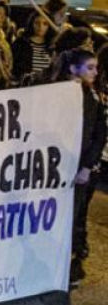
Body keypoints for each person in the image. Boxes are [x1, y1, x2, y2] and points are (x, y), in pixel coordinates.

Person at [52, 48, 105, 287]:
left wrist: (86, 167)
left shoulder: (92, 98)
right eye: (90, 68)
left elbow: (99, 135)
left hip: (79, 171)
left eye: (96, 68)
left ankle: (69, 266)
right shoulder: (53, 93)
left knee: (73, 217)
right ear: (73, 69)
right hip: (55, 168)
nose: (95, 72)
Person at [11, 11, 55, 81]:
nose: (41, 27)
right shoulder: (21, 43)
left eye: (45, 24)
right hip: (26, 86)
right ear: (31, 23)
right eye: (37, 23)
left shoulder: (52, 46)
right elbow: (13, 67)